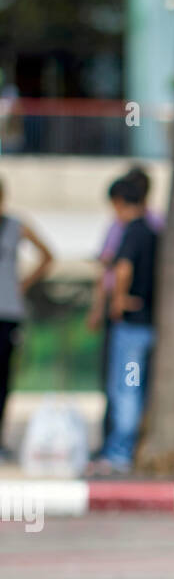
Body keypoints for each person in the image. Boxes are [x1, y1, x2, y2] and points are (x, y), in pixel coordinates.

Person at [90, 174, 160, 473]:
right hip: (149, 323)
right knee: (136, 388)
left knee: (125, 389)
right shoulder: (156, 231)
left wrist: (118, 300)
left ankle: (119, 453)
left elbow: (123, 268)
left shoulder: (132, 231)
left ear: (119, 202)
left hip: (131, 326)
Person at [0, 177, 54, 454]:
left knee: (3, 377)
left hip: (7, 312)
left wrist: (23, 284)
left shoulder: (15, 225)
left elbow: (47, 255)